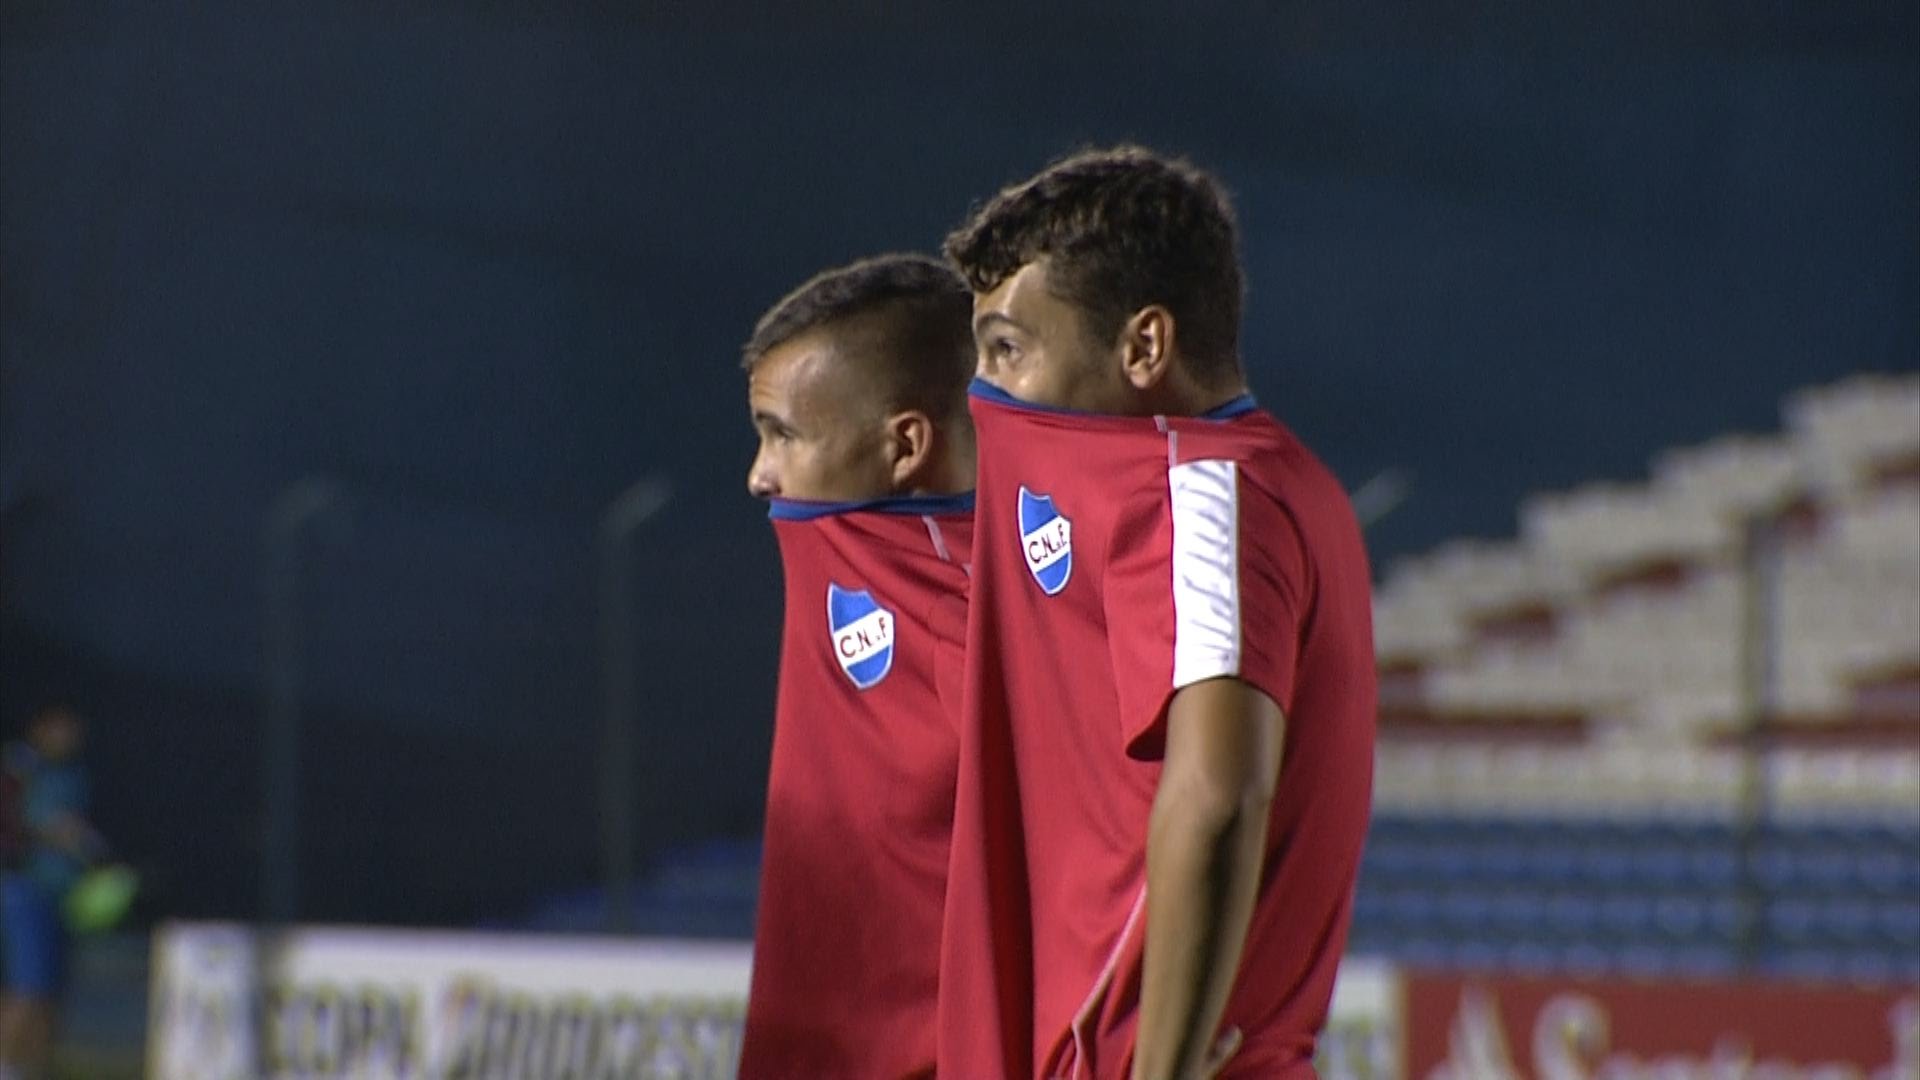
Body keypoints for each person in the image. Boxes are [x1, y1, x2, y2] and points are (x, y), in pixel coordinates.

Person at [936, 147, 1377, 1080]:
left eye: (1009, 348)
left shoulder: (1202, 493)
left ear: (1143, 347)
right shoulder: (1282, 482)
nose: (982, 391)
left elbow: (1219, 793)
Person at [737, 252, 977, 1079]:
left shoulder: (988, 614)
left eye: (783, 435)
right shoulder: (846, 549)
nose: (759, 475)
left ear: (904, 445)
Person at [0, 703, 101, 1080]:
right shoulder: (19, 767)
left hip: (63, 896)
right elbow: (23, 825)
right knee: (27, 986)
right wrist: (52, 833)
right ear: (40, 727)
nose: (69, 736)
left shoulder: (74, 774)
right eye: (61, 727)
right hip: (24, 891)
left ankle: (32, 1069)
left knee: (51, 993)